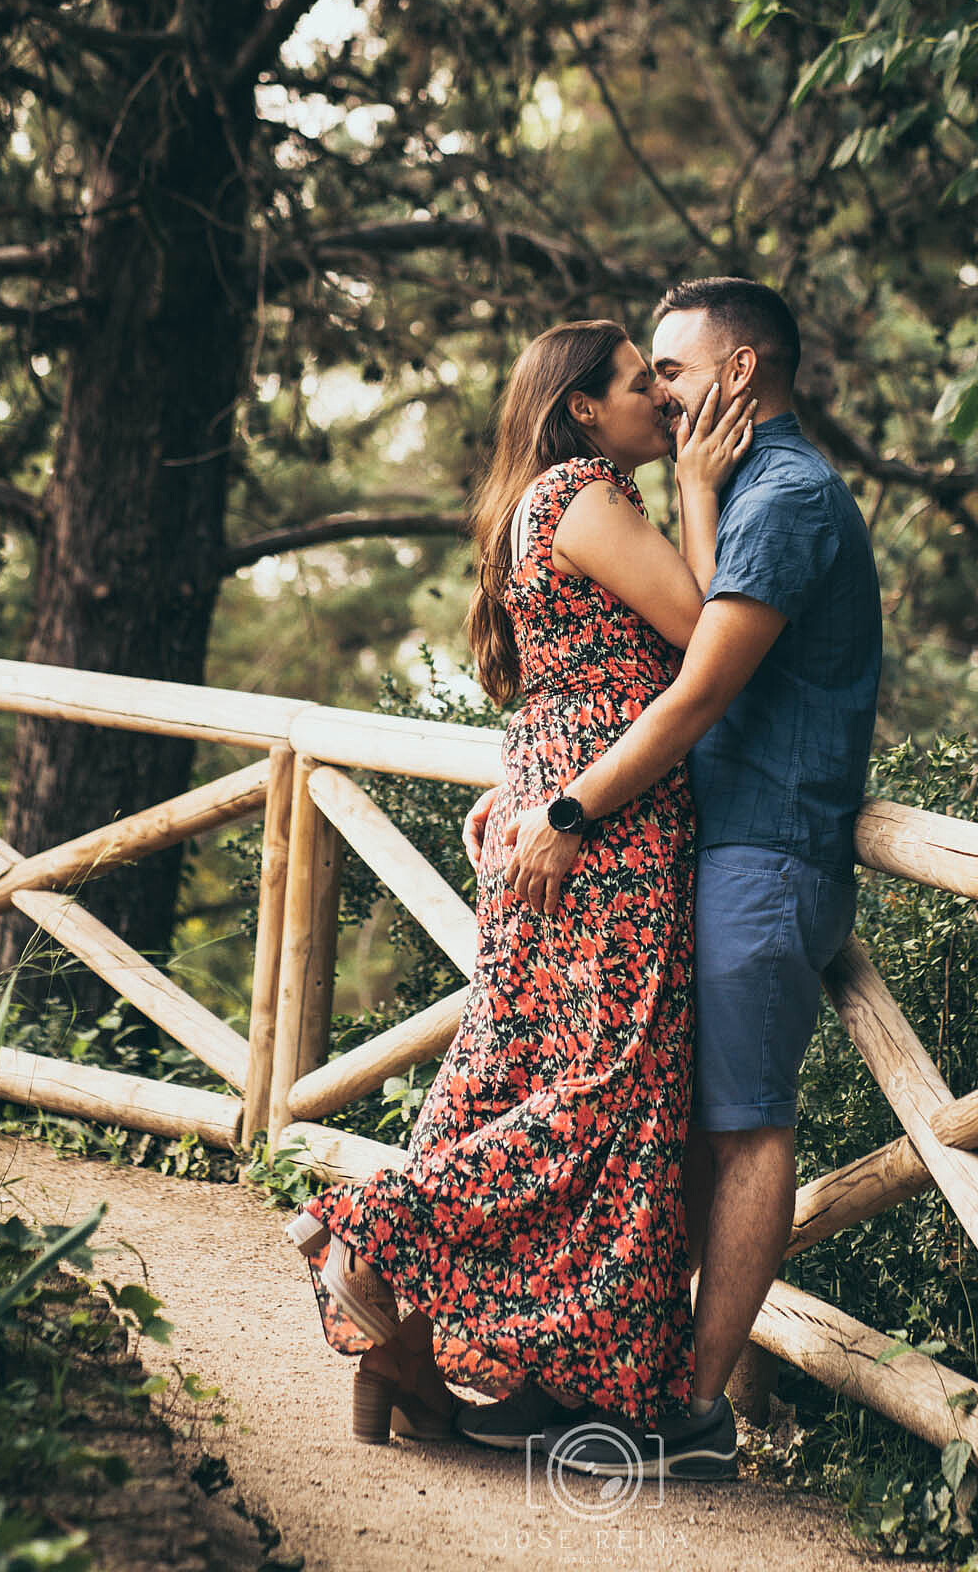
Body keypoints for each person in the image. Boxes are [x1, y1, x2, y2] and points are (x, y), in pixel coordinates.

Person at [295, 318, 754, 1450]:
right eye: (641, 383)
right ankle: (370, 1236)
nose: (663, 399)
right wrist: (699, 489)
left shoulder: (539, 501)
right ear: (584, 408)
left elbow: (569, 674)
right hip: (603, 821)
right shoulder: (587, 495)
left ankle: (397, 1347)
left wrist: (524, 787)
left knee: (507, 1064)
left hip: (553, 795)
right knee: (608, 1082)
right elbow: (704, 633)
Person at [471, 277, 883, 1481]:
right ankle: (607, 1375)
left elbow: (698, 685)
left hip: (767, 848)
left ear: (740, 371)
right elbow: (619, 663)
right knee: (662, 1119)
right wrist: (529, 774)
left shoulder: (786, 496)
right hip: (706, 843)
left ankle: (691, 1412)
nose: (657, 390)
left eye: (672, 367)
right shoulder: (735, 488)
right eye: (643, 372)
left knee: (741, 1125)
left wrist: (567, 805)